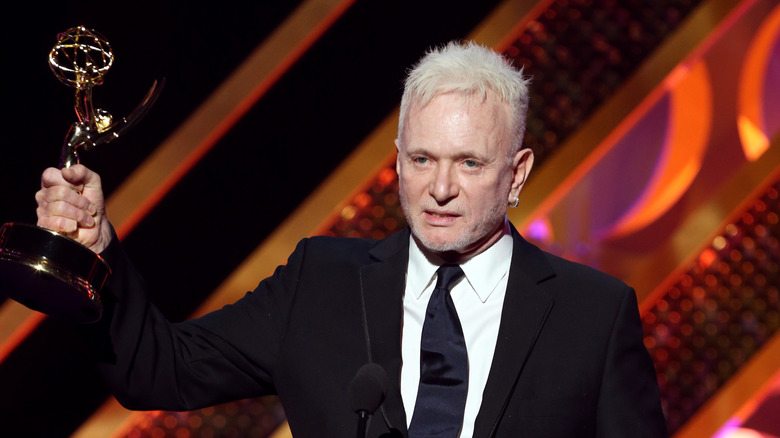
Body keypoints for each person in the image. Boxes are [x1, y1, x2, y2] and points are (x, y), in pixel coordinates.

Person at [36, 41, 667, 437]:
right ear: (396, 160)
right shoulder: (321, 281)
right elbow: (159, 370)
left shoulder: (593, 314)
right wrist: (98, 253)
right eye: (422, 159)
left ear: (517, 174)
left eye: (469, 164)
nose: (440, 187)